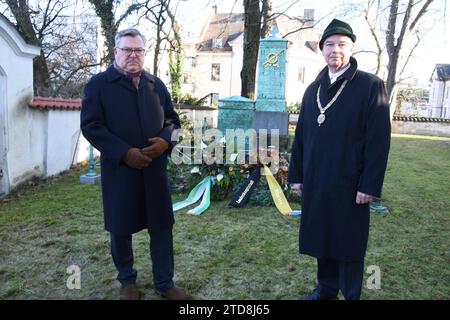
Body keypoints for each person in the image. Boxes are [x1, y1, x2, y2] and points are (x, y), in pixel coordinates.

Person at [80, 28, 191, 300]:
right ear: (115, 52)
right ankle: (127, 282)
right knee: (120, 227)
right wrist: (124, 152)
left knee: (162, 226)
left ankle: (165, 283)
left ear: (144, 53)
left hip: (154, 172)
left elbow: (175, 123)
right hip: (120, 171)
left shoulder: (157, 85)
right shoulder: (98, 85)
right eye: (127, 49)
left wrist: (166, 141)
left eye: (138, 50)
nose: (133, 55)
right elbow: (91, 126)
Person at [288, 19, 391, 300]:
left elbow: (379, 142)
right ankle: (327, 288)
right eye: (330, 44)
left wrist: (369, 185)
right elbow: (301, 137)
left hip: (350, 182)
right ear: (322, 50)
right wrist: (296, 175)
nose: (336, 50)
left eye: (342, 44)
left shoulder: (371, 86)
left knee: (348, 240)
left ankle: (352, 293)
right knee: (322, 234)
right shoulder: (313, 89)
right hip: (318, 179)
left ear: (352, 48)